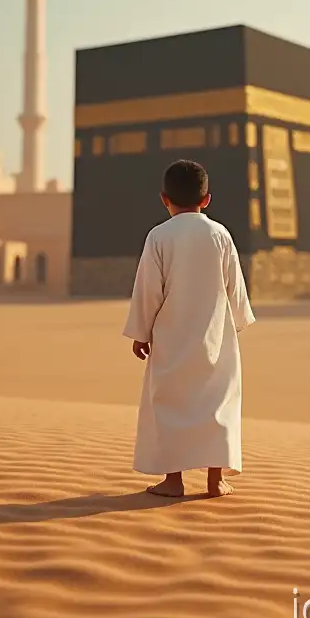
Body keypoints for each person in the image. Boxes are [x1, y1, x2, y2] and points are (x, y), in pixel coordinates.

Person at [122, 158, 255, 498]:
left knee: (171, 403)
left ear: (164, 198)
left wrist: (141, 331)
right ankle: (215, 481)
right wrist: (236, 324)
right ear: (206, 199)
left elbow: (148, 289)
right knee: (217, 403)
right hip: (216, 335)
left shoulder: (158, 236)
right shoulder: (220, 234)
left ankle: (174, 481)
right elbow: (234, 288)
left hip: (171, 337)